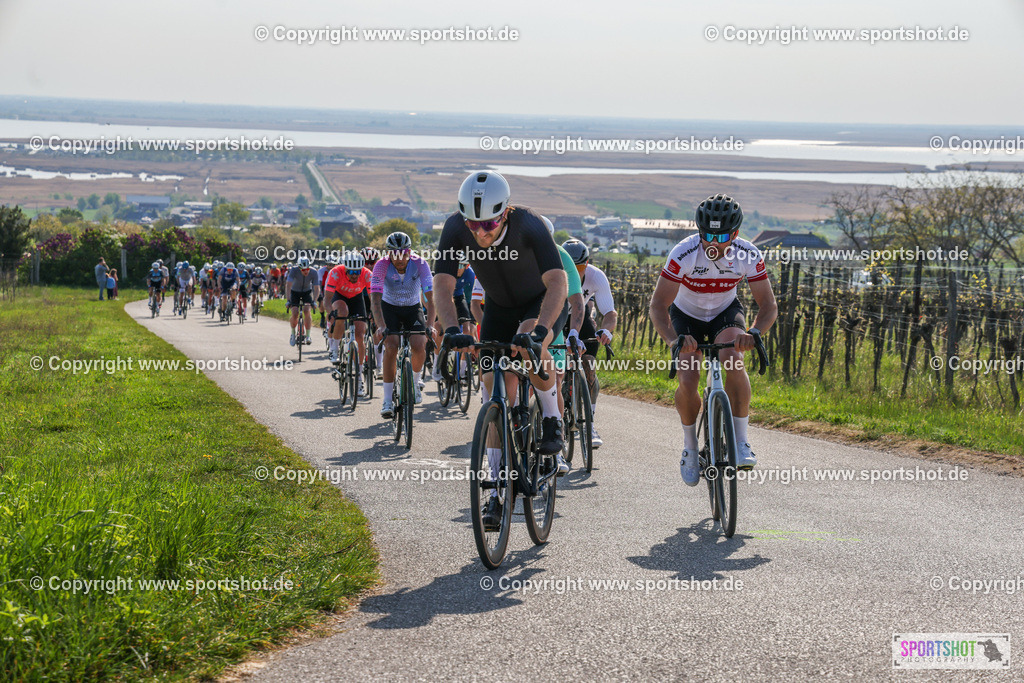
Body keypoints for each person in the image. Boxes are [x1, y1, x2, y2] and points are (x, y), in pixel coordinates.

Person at [435, 171, 569, 527]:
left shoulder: (529, 223)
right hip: (498, 307)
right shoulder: (454, 228)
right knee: (494, 388)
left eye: (489, 223)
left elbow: (558, 282)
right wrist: (452, 330)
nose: (480, 232)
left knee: (527, 345)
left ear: (505, 212)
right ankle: (496, 490)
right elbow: (443, 284)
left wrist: (541, 331)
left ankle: (552, 419)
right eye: (473, 224)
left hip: (540, 302)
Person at [648, 194, 778, 485]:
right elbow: (658, 306)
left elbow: (769, 306)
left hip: (724, 312)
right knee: (688, 377)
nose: (713, 243)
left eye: (721, 237)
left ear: (735, 234)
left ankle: (741, 441)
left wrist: (754, 333)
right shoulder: (683, 253)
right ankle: (690, 447)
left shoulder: (748, 254)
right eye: (707, 235)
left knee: (733, 360)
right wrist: (673, 341)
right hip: (686, 315)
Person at [370, 232, 435, 417]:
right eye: (395, 254)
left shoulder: (420, 264)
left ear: (409, 252)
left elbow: (431, 299)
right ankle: (387, 400)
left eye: (404, 253)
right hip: (389, 307)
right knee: (391, 345)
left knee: (419, 344)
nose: (399, 258)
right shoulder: (381, 265)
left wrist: (430, 324)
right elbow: (375, 300)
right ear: (388, 253)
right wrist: (381, 325)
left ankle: (414, 383)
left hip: (413, 307)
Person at [561, 238, 617, 449]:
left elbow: (610, 312)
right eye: (569, 267)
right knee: (553, 368)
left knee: (589, 365)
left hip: (580, 317)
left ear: (587, 264)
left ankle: (590, 424)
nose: (574, 272)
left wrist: (606, 330)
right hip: (557, 318)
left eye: (579, 268)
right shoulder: (554, 273)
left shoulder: (595, 276)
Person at [326, 251, 373, 395]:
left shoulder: (367, 274)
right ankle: (334, 348)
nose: (354, 275)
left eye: (357, 272)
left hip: (357, 299)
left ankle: (359, 378)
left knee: (360, 335)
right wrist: (330, 313)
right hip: (339, 296)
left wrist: (374, 313)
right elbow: (327, 299)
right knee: (342, 312)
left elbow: (373, 298)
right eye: (351, 272)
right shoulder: (335, 272)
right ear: (345, 269)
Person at [286, 257, 320, 346]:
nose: (306, 271)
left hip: (307, 292)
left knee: (307, 310)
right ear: (299, 268)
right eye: (303, 270)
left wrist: (315, 301)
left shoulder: (314, 272)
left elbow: (316, 288)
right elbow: (288, 285)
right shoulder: (294, 270)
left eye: (307, 269)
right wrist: (288, 300)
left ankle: (308, 336)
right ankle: (293, 334)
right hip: (295, 292)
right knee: (295, 313)